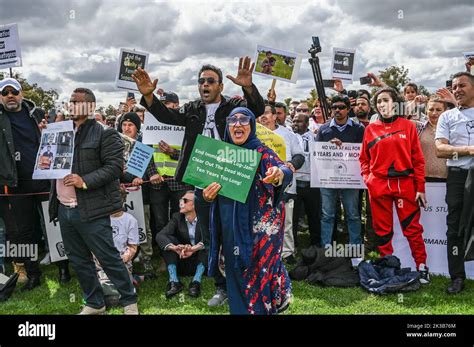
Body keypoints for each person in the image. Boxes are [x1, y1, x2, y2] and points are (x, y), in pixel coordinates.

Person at [133, 56, 265, 307]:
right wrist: (149, 97)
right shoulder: (192, 108)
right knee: (211, 233)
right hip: (200, 181)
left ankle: (242, 280)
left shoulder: (233, 106)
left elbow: (256, 110)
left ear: (220, 86)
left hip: (230, 177)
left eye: (210, 81)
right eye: (200, 81)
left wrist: (248, 86)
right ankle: (220, 286)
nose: (204, 84)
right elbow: (165, 117)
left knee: (234, 233)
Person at [48, 87, 138, 314]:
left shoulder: (105, 133)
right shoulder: (61, 132)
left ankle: (129, 302)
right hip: (64, 207)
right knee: (79, 260)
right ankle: (95, 303)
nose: (71, 105)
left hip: (91, 208)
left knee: (108, 258)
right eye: (70, 101)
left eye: (77, 102)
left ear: (91, 107)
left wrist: (84, 180)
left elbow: (114, 168)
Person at [204, 107, 293, 315]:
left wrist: (278, 173)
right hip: (229, 226)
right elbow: (206, 189)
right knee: (235, 274)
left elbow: (285, 169)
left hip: (259, 232)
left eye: (243, 119)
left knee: (257, 275)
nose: (237, 124)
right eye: (232, 120)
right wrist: (207, 196)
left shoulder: (261, 152)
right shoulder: (221, 155)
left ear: (252, 126)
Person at [360, 87, 430, 283]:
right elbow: (363, 159)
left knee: (412, 229)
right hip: (379, 186)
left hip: (404, 185)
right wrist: (368, 179)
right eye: (379, 102)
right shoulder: (370, 129)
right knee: (382, 230)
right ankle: (387, 266)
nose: (382, 104)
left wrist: (420, 188)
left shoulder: (408, 126)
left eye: (385, 100)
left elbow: (418, 160)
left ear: (395, 102)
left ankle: (422, 267)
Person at [0, 78, 50, 290]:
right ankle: (32, 273)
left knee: (53, 226)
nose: (10, 95)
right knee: (23, 232)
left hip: (43, 178)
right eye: (5, 92)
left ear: (22, 94)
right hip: (15, 183)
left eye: (14, 91)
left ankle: (64, 267)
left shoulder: (36, 113)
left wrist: (47, 130)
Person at [435, 72, 474, 294]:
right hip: (458, 176)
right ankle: (457, 276)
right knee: (455, 227)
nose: (457, 89)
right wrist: (468, 150)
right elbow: (441, 150)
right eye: (454, 86)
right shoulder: (447, 117)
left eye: (462, 85)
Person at [258, 102, 304, 263]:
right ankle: (264, 251)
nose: (263, 116)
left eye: (267, 113)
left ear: (275, 116)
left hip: (285, 184)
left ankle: (287, 253)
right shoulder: (253, 134)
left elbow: (299, 156)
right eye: (260, 113)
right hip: (260, 186)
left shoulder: (287, 134)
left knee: (287, 220)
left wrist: (293, 165)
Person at [316, 95, 365, 246]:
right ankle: (326, 249)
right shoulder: (323, 129)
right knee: (327, 215)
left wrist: (344, 147)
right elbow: (317, 153)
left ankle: (355, 248)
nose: (337, 110)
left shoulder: (358, 129)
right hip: (328, 178)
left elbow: (363, 153)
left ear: (348, 110)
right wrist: (329, 147)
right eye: (334, 107)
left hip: (350, 179)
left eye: (341, 107)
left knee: (353, 215)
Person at [156, 190, 206, 299]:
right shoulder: (177, 217)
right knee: (168, 240)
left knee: (207, 245)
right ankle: (174, 281)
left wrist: (193, 249)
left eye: (185, 200)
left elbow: (210, 239)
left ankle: (196, 282)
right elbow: (160, 235)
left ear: (195, 204)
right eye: (180, 200)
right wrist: (175, 248)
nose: (181, 203)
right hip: (182, 260)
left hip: (200, 261)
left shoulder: (205, 217)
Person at [292, 112, 321, 247]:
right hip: (295, 183)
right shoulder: (290, 137)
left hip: (311, 183)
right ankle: (293, 245)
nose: (295, 123)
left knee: (314, 215)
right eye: (294, 121)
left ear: (307, 123)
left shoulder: (315, 137)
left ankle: (316, 243)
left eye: (299, 121)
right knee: (293, 217)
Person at [418, 96, 448, 182]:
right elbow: (399, 117)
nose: (434, 113)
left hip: (446, 180)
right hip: (422, 179)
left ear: (445, 112)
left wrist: (453, 100)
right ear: (426, 111)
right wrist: (414, 103)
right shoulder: (418, 127)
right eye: (431, 109)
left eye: (438, 110)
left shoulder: (452, 130)